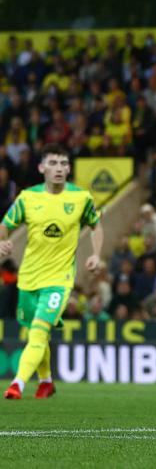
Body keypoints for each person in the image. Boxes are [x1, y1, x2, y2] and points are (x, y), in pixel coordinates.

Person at [0, 145, 103, 400]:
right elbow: (4, 224)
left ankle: (17, 384)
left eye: (63, 164)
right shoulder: (27, 198)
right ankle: (46, 381)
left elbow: (96, 225)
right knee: (38, 333)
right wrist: (3, 241)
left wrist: (96, 254)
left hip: (59, 279)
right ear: (42, 167)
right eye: (53, 163)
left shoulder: (81, 198)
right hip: (28, 278)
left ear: (69, 168)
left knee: (37, 331)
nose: (59, 168)